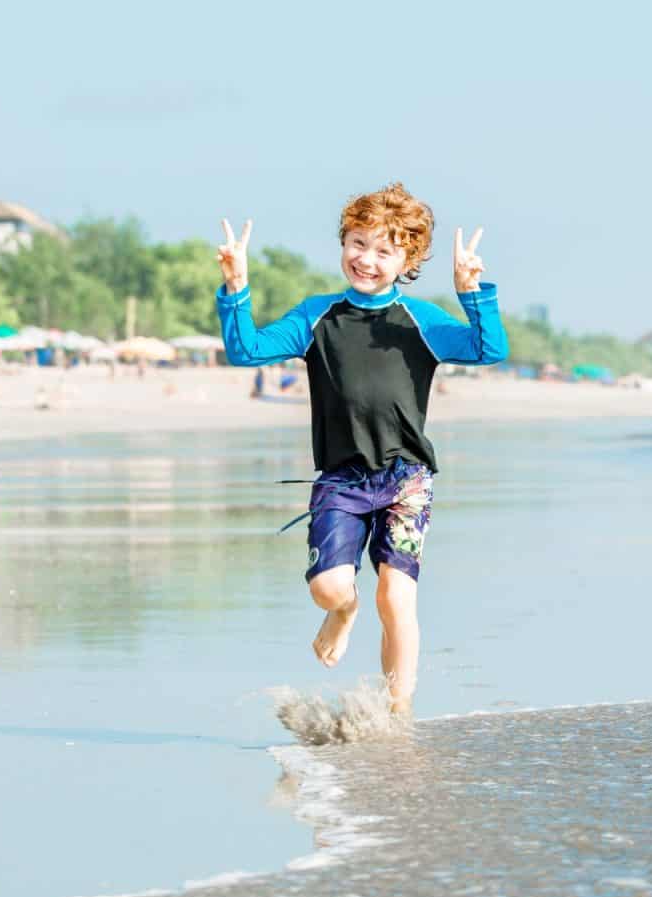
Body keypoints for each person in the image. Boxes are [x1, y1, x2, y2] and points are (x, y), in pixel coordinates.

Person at [215, 182, 508, 717]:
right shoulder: (316, 316)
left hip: (406, 480)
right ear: (343, 242)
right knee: (330, 588)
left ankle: (398, 715)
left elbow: (489, 348)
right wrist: (236, 285)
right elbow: (245, 350)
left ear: (408, 259)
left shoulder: (422, 320)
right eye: (357, 243)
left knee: (396, 598)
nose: (366, 259)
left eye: (384, 250)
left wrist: (472, 291)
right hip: (343, 481)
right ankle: (341, 614)